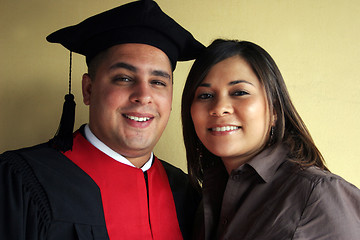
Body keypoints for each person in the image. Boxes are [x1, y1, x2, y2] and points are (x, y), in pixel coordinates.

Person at [0, 1, 205, 239]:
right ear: (88, 89)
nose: (143, 96)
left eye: (158, 82)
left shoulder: (187, 192)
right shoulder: (20, 183)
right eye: (124, 78)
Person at [181, 39, 360, 239]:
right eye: (205, 95)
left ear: (275, 110)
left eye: (240, 92)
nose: (219, 108)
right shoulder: (203, 194)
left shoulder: (319, 194)